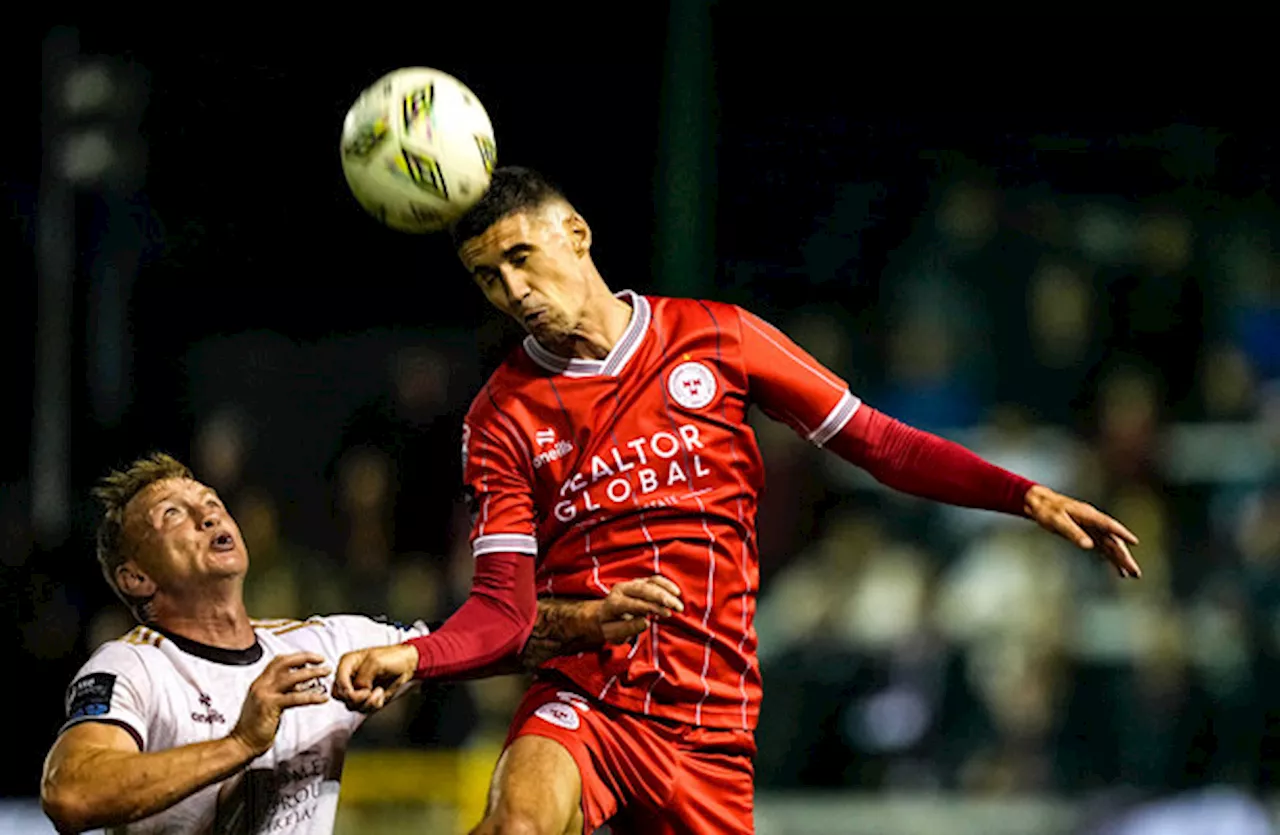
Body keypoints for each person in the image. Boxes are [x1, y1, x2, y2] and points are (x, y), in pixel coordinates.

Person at [332, 167, 1143, 835]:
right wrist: (416, 655)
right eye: (487, 276)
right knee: (515, 824)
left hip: (713, 722)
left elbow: (880, 443)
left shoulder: (717, 338)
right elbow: (502, 612)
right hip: (589, 695)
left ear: (575, 232)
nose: (512, 288)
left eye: (520, 255)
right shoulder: (500, 416)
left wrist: (1023, 493)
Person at [39, 452, 673, 834]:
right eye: (172, 514)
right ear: (136, 577)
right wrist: (241, 743)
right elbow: (72, 795)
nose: (209, 514)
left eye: (209, 501)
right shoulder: (135, 665)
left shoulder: (324, 644)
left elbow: (483, 640)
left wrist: (592, 619)